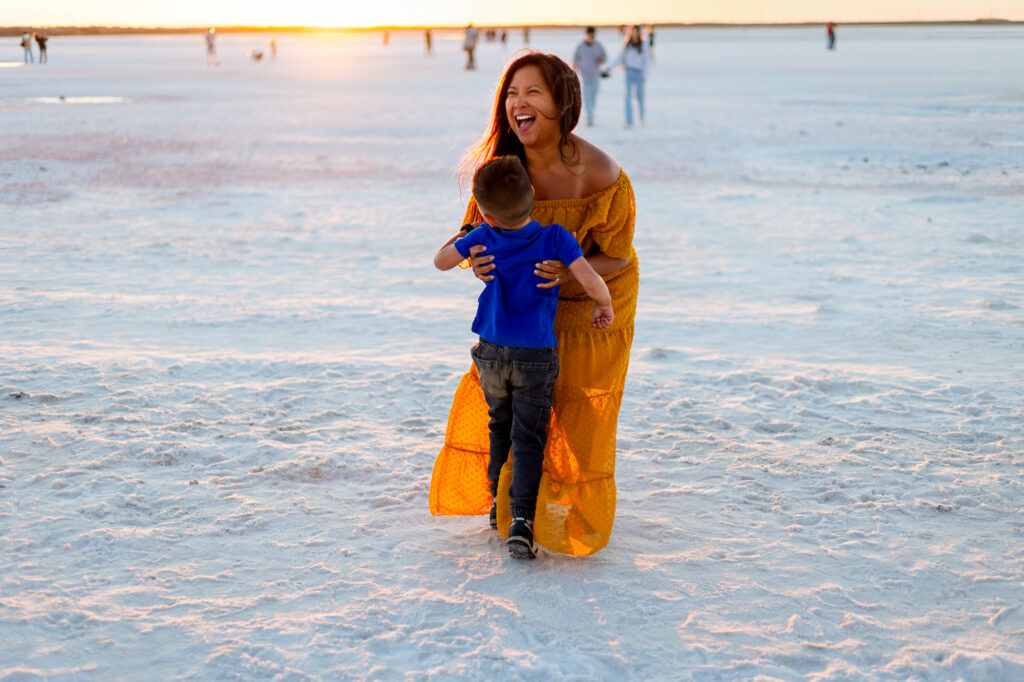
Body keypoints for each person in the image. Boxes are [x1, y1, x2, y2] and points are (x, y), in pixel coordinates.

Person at [429, 52, 639, 557]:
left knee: (573, 412)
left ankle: (557, 511)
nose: (517, 103)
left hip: (593, 300)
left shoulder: (600, 172)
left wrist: (572, 272)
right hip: (526, 313)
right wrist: (475, 262)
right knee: (518, 413)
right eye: (511, 93)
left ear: (563, 101)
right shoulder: (503, 171)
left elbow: (616, 255)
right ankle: (512, 509)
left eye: (533, 93)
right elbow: (467, 237)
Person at [434, 156, 614, 559]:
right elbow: (588, 277)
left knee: (499, 426)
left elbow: (441, 261)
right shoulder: (555, 238)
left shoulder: (483, 235)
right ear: (533, 194)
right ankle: (521, 520)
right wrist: (603, 304)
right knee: (529, 438)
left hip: (491, 352)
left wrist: (467, 234)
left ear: (485, 211)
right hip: (534, 354)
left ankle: (497, 505)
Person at [604, 25, 651, 128]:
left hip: (639, 73)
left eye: (636, 32)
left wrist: (645, 74)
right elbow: (619, 58)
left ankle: (642, 118)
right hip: (629, 72)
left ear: (639, 33)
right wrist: (609, 68)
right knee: (627, 97)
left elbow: (647, 61)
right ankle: (629, 122)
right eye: (633, 32)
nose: (634, 34)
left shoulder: (644, 45)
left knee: (640, 97)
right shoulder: (627, 45)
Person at [572, 27, 607, 127]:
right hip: (585, 76)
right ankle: (589, 119)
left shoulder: (598, 46)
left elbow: (605, 57)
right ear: (586, 35)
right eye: (589, 35)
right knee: (587, 98)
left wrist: (601, 60)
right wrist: (574, 70)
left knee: (593, 98)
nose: (591, 37)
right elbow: (576, 59)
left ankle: (590, 114)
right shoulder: (581, 46)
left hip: (595, 76)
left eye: (593, 35)